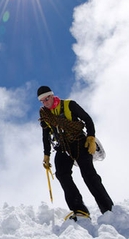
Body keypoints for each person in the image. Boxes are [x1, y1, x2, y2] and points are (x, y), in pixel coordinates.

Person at [37, 85, 113, 219]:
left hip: (79, 141)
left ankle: (107, 208)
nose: (45, 103)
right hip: (63, 146)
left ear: (52, 96)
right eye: (42, 101)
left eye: (46, 99)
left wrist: (91, 137)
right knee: (61, 174)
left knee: (88, 174)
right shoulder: (45, 115)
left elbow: (87, 120)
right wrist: (46, 155)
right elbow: (46, 136)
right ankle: (79, 209)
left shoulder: (69, 105)